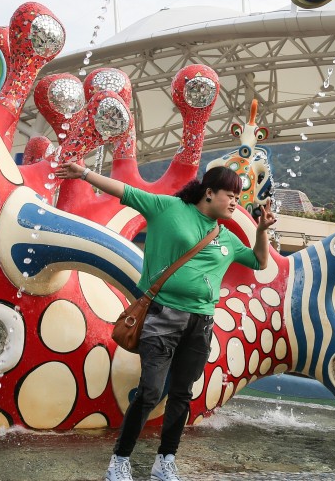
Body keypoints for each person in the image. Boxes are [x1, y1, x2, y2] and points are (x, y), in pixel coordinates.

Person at [55, 163, 276, 481]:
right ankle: (119, 460)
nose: (234, 203)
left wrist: (262, 231)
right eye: (230, 195)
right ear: (209, 193)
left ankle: (165, 461)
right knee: (150, 391)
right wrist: (84, 174)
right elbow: (126, 191)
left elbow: (258, 261)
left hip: (201, 323)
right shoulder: (168, 208)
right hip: (162, 316)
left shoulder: (226, 237)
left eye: (238, 198)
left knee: (183, 394)